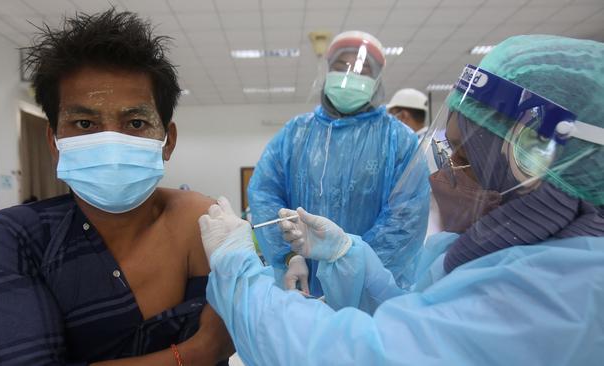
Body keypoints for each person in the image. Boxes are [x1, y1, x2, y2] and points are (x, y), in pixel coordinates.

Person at [199, 35, 604, 365]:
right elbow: (419, 312)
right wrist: (344, 254)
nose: (439, 178)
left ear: (528, 166)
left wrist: (238, 272)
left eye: (460, 158)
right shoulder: (527, 252)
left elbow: (358, 354)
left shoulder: (553, 295)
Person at [0, 10, 233, 366]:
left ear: (167, 141)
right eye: (84, 123)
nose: (110, 142)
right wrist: (194, 354)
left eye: (136, 122)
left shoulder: (200, 222)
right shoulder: (18, 238)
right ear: (54, 141)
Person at [248, 31, 429, 295]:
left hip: (373, 291)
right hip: (302, 284)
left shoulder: (399, 140)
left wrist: (353, 267)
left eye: (363, 69)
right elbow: (264, 193)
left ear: (376, 79)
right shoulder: (296, 133)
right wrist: (290, 256)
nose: (350, 75)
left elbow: (407, 218)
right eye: (340, 66)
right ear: (326, 72)